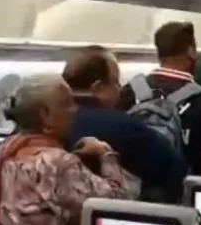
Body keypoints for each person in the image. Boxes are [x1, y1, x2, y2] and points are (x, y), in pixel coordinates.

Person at [0, 75, 139, 225]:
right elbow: (117, 204)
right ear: (45, 115)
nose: (74, 109)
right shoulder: (59, 163)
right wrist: (105, 153)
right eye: (66, 103)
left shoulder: (7, 150)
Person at [61, 46, 186, 202]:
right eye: (116, 82)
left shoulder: (45, 126)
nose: (119, 90)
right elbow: (176, 171)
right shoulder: (124, 128)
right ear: (97, 88)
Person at [117, 22, 201, 177]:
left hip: (133, 189)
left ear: (159, 53)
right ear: (191, 51)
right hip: (182, 190)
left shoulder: (128, 93)